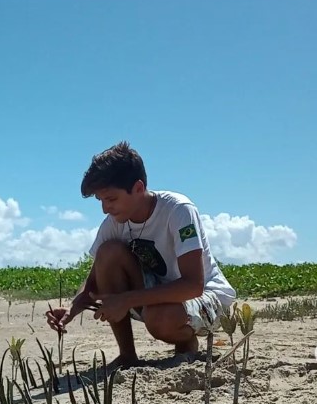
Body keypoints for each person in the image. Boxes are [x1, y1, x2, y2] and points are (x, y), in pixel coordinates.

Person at [46, 141, 236, 369]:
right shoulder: (113, 224)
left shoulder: (178, 210)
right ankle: (127, 355)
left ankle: (186, 342)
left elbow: (193, 285)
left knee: (160, 318)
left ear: (138, 188)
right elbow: (93, 283)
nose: (105, 209)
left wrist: (125, 300)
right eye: (101, 201)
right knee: (108, 253)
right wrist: (72, 309)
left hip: (207, 295)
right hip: (155, 296)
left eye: (111, 199)